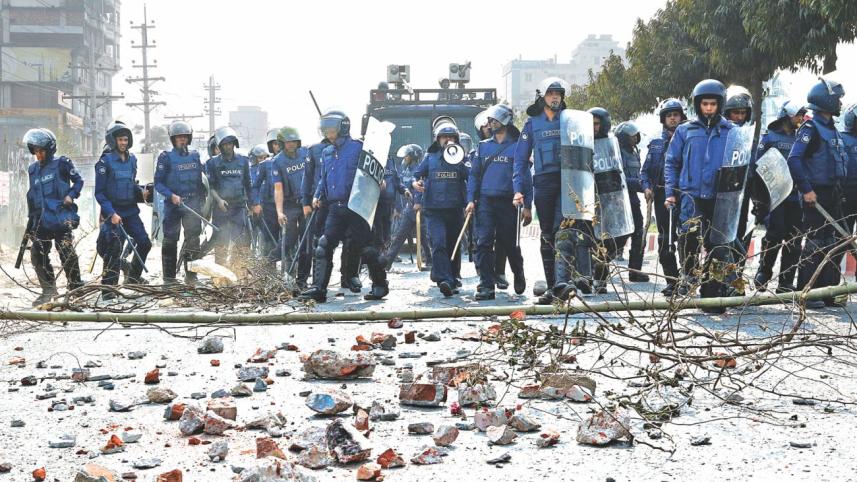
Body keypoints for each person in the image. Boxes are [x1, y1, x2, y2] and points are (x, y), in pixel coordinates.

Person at [664, 79, 738, 314]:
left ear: (720, 105)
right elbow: (671, 163)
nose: (708, 108)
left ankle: (712, 292)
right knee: (688, 241)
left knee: (719, 247)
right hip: (691, 197)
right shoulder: (685, 131)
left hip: (720, 198)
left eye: (712, 104)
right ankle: (688, 281)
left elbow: (741, 163)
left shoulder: (732, 132)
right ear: (698, 105)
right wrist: (671, 193)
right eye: (704, 104)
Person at [299, 110, 389, 302]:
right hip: (335, 207)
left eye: (331, 128)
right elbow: (324, 179)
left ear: (343, 128)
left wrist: (379, 182)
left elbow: (374, 171)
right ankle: (319, 288)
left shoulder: (359, 148)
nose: (327, 133)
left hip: (357, 206)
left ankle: (380, 285)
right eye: (325, 129)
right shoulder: (326, 152)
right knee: (324, 245)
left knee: (365, 248)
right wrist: (317, 195)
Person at [788, 78, 848, 308]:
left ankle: (827, 292)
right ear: (827, 100)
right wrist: (807, 189)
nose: (840, 103)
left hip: (833, 193)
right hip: (815, 194)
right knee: (815, 243)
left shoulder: (832, 129)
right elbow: (794, 160)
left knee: (832, 243)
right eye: (838, 99)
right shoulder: (810, 128)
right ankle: (807, 294)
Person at [514, 77, 570, 298]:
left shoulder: (570, 120)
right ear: (542, 97)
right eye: (551, 93)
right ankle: (553, 286)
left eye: (559, 93)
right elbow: (520, 161)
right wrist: (519, 190)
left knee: (563, 230)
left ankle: (564, 283)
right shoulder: (531, 124)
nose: (555, 97)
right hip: (544, 183)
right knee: (547, 233)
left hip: (568, 182)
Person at [467, 104, 529, 300]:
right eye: (490, 120)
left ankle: (518, 272)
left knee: (510, 243)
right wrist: (470, 199)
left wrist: (528, 205)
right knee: (483, 242)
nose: (490, 123)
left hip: (509, 202)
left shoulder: (518, 146)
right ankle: (486, 285)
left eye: (495, 120)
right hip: (485, 201)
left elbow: (525, 176)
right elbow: (474, 176)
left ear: (505, 121)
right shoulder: (483, 147)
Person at [24, 128, 84, 306]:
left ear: (50, 150)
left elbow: (79, 181)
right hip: (41, 221)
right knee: (37, 254)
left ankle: (75, 289)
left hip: (60, 218)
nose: (38, 154)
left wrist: (71, 195)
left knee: (66, 252)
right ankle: (48, 290)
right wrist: (31, 223)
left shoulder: (62, 163)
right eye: (35, 151)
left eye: (41, 150)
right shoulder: (32, 170)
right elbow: (32, 196)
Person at [753, 100, 806, 292]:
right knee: (774, 236)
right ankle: (763, 275)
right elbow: (758, 170)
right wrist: (759, 201)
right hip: (774, 198)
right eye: (798, 114)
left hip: (796, 197)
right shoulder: (769, 138)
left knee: (794, 239)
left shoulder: (802, 138)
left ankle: (785, 282)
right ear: (787, 115)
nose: (801, 118)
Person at [94, 122, 152, 298]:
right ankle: (108, 291)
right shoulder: (105, 163)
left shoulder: (132, 160)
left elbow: (131, 185)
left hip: (130, 211)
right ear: (113, 141)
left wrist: (141, 192)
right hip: (113, 212)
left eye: (126, 139)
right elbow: (100, 193)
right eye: (120, 139)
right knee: (113, 249)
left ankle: (133, 278)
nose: (123, 143)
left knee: (144, 243)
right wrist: (111, 214)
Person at [412, 120, 469, 297]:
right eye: (444, 137)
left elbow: (472, 176)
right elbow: (416, 175)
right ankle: (445, 279)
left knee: (454, 244)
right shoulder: (430, 158)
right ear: (438, 139)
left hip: (455, 208)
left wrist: (471, 201)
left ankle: (453, 275)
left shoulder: (462, 158)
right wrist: (415, 184)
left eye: (451, 136)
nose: (448, 140)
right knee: (438, 243)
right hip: (434, 210)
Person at [641, 99, 685, 296]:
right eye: (669, 115)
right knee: (665, 240)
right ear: (663, 119)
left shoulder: (689, 139)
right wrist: (647, 187)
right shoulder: (656, 144)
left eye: (676, 115)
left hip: (686, 196)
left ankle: (688, 279)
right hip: (661, 198)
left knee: (687, 237)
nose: (673, 118)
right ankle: (672, 281)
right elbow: (645, 172)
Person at [155, 121, 205, 284]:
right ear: (173, 140)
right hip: (173, 205)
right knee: (170, 240)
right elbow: (158, 183)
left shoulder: (195, 156)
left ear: (189, 138)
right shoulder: (165, 157)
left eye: (184, 137)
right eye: (179, 138)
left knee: (193, 240)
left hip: (192, 204)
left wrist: (203, 200)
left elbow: (201, 181)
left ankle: (191, 276)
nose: (182, 140)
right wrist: (171, 196)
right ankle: (169, 280)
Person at [206, 126, 253, 277]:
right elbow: (211, 187)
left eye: (230, 143)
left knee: (240, 241)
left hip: (239, 207)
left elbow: (248, 184)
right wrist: (219, 200)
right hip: (221, 208)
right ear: (219, 146)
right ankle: (220, 275)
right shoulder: (212, 163)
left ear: (234, 144)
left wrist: (252, 204)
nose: (228, 147)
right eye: (224, 144)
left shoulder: (243, 161)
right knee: (221, 242)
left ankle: (238, 273)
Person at [380, 144, 431, 269]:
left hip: (420, 208)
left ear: (412, 157)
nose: (404, 159)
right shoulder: (406, 170)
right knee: (399, 235)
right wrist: (399, 207)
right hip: (410, 207)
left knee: (424, 238)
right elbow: (401, 185)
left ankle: (431, 261)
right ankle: (387, 263)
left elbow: (420, 187)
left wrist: (418, 203)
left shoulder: (420, 169)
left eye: (407, 156)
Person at [271, 127, 311, 287]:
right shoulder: (277, 161)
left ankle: (302, 280)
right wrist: (279, 212)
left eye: (294, 141)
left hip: (306, 204)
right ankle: (266, 264)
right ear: (282, 143)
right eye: (288, 142)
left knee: (307, 242)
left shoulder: (306, 154)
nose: (292, 145)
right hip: (290, 206)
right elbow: (278, 188)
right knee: (288, 240)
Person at [615, 121, 649, 283]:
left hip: (633, 199)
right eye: (631, 136)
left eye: (636, 135)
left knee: (638, 235)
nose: (635, 138)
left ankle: (635, 271)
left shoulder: (635, 152)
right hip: (618, 200)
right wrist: (642, 185)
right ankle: (598, 269)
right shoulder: (617, 152)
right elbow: (619, 178)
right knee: (619, 238)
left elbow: (638, 175)